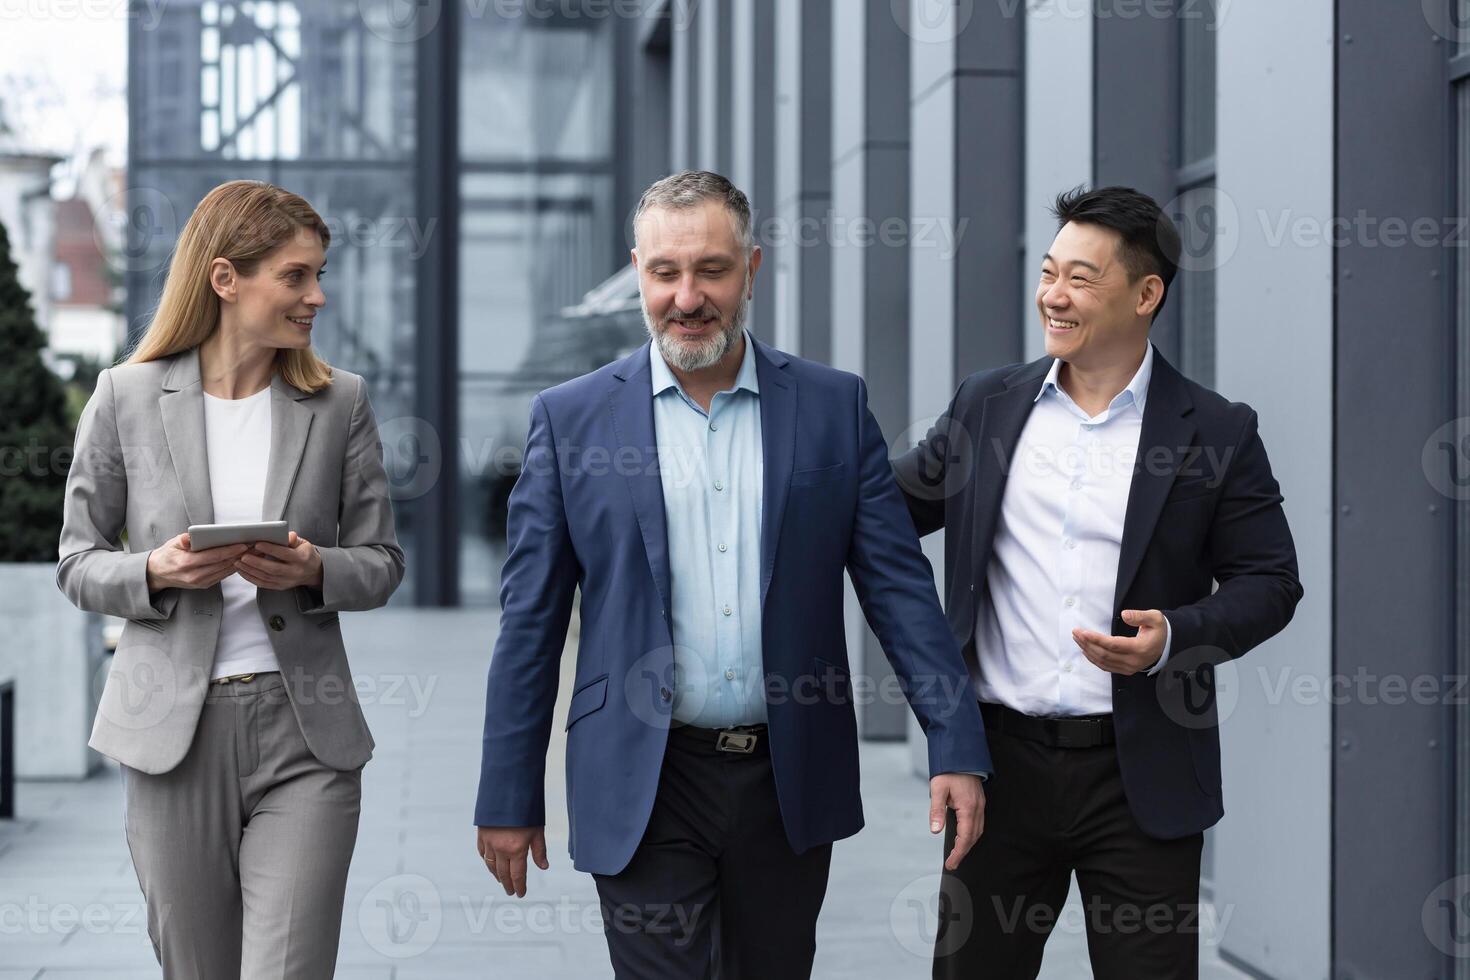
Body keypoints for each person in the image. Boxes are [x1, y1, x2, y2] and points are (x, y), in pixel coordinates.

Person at [474, 170, 990, 979]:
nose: (687, 297)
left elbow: (898, 589)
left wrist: (954, 742)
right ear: (637, 270)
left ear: (751, 268)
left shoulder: (831, 407)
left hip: (786, 779)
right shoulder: (570, 420)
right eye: (665, 273)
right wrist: (509, 793)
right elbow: (530, 624)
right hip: (642, 776)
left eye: (711, 270)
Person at [894, 185, 1304, 979]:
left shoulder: (1215, 431)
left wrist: (1174, 639)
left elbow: (1271, 580)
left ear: (1147, 294)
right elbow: (883, 515)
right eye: (1049, 272)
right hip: (998, 772)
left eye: (1080, 278)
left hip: (1140, 776)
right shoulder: (988, 406)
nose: (1052, 294)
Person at [56, 180, 405, 979]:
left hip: (306, 733)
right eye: (296, 276)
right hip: (171, 737)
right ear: (225, 279)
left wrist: (316, 567)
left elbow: (382, 562)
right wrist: (156, 568)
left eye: (319, 275)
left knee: (288, 967)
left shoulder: (339, 401)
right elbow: (77, 561)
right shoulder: (126, 397)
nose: (317, 295)